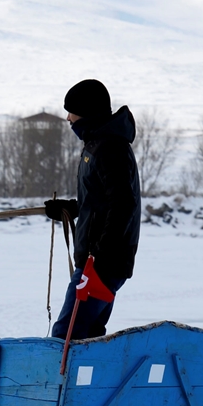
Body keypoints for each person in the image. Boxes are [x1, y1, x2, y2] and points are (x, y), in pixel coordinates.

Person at [45, 79, 141, 339]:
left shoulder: (110, 148)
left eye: (72, 111)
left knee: (66, 337)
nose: (68, 118)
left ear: (87, 112)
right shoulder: (98, 144)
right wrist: (70, 209)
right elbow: (102, 200)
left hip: (100, 264)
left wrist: (99, 256)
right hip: (99, 261)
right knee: (88, 335)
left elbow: (123, 204)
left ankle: (60, 369)